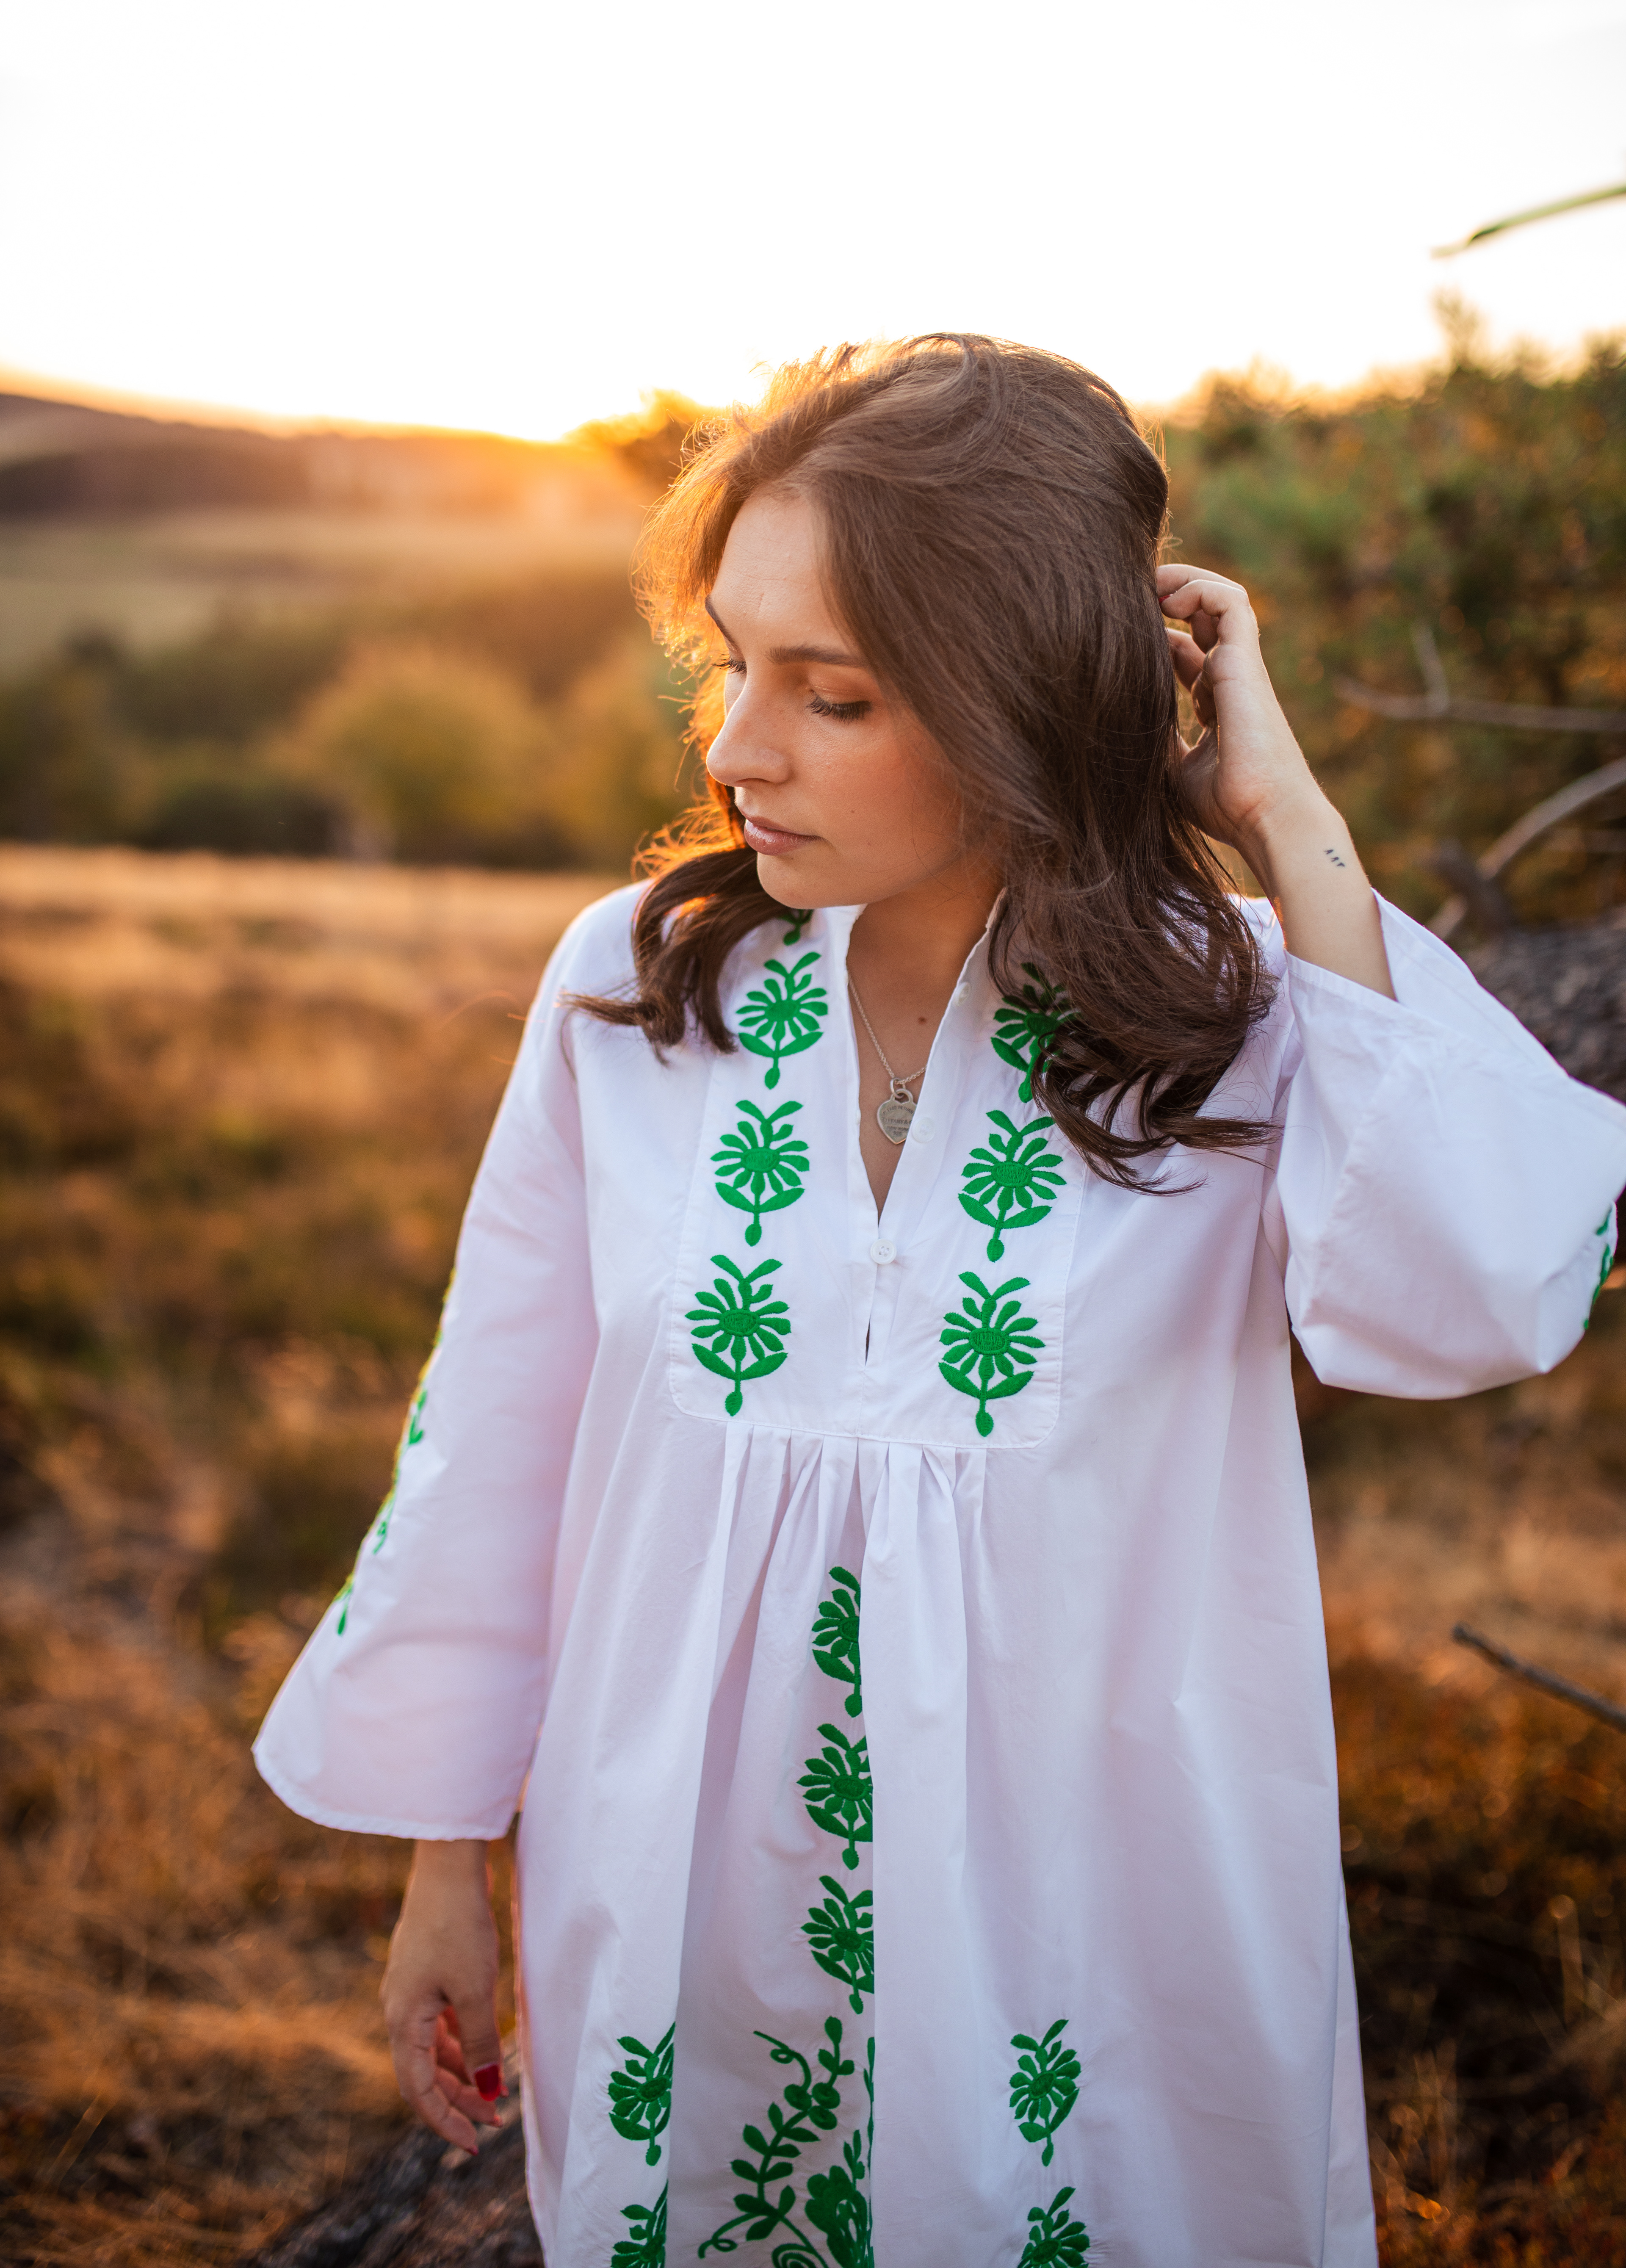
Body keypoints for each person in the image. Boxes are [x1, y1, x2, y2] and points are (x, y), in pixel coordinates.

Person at [254, 336, 1626, 2268]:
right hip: (674, 1905)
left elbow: (1481, 1287)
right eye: (736, 668)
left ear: (1014, 708)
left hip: (1095, 1929)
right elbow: (498, 1430)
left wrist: (1289, 824)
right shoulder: (641, 993)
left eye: (835, 696)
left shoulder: (1233, 1014)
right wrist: (444, 1865)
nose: (741, 752)